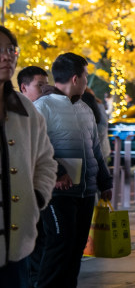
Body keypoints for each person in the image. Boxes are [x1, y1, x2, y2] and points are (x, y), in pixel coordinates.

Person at [30, 52, 113, 288]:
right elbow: (35, 145)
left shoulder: (85, 109)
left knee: (76, 249)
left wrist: (105, 182)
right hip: (57, 193)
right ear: (76, 78)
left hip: (85, 192)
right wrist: (57, 173)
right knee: (59, 246)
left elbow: (95, 149)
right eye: (85, 76)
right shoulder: (42, 107)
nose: (87, 81)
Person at [0, 27, 57, 287]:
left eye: (11, 50)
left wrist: (37, 197)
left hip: (18, 242)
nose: (7, 57)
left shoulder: (25, 109)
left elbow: (45, 161)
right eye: (0, 51)